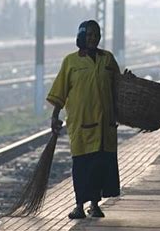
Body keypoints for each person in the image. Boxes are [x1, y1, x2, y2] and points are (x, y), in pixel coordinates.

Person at [48, 20, 130, 219]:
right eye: (89, 34)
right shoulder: (71, 61)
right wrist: (55, 115)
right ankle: (79, 206)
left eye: (96, 34)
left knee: (100, 166)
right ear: (81, 36)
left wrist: (128, 81)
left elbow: (118, 88)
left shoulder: (107, 59)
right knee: (82, 166)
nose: (93, 38)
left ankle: (95, 205)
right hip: (81, 124)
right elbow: (60, 90)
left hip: (104, 125)